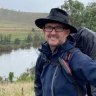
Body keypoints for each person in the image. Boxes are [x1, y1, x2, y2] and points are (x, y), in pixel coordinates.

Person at [34, 8, 96, 96]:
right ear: (44, 31)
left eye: (58, 28)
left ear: (67, 32)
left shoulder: (74, 57)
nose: (53, 32)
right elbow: (38, 85)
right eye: (49, 27)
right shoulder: (43, 57)